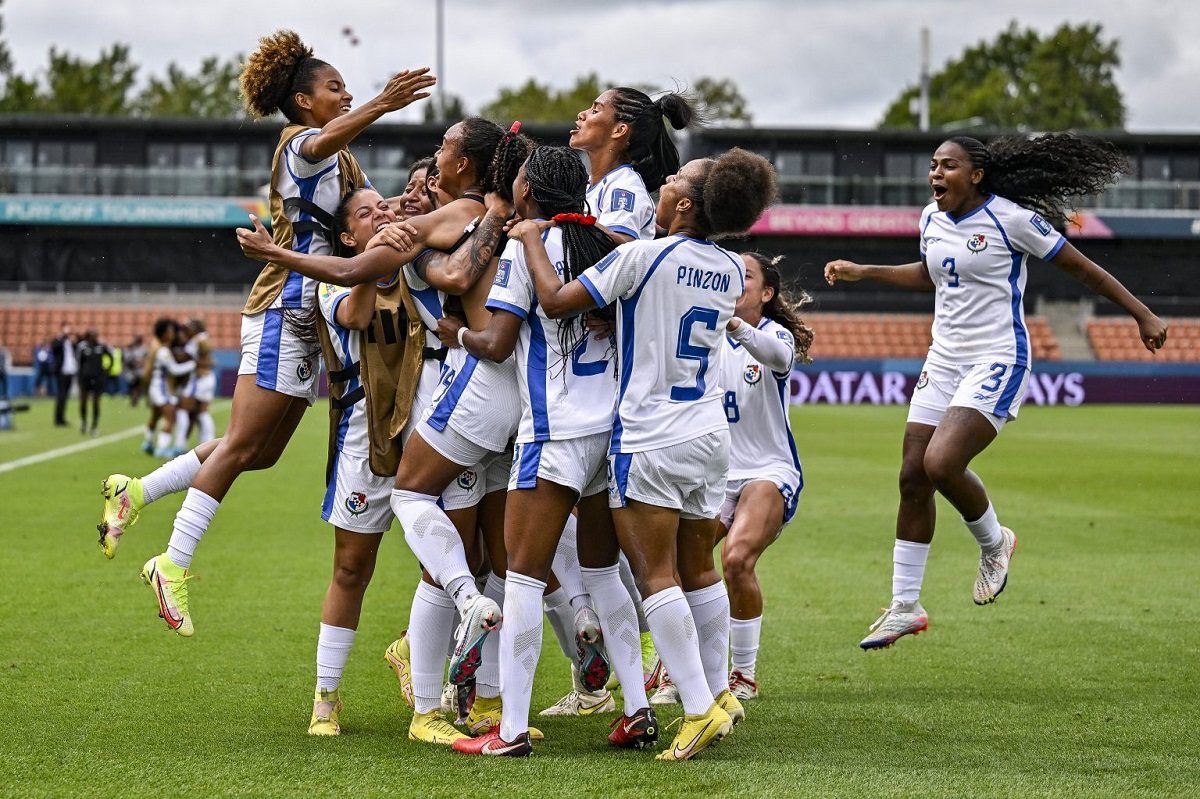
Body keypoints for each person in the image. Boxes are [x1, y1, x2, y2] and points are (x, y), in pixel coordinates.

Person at [100, 30, 434, 636]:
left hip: (313, 310)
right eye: (335, 87)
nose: (347, 94)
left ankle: (137, 491)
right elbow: (328, 146)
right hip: (286, 305)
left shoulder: (341, 156)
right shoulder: (298, 142)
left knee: (263, 450)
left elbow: (360, 205)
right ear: (305, 101)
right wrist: (384, 102)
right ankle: (171, 563)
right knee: (242, 442)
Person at [823, 133, 1169, 651]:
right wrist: (864, 271)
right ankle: (904, 606)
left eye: (949, 166)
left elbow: (1084, 270)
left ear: (976, 175)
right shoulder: (930, 219)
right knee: (912, 477)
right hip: (943, 359)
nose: (936, 174)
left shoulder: (1011, 220)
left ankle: (995, 541)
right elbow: (932, 275)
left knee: (941, 464)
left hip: (998, 357)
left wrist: (1142, 313)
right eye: (934, 166)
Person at [511, 147, 779, 761]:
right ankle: (721, 692)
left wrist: (529, 237)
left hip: (650, 433)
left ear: (684, 204)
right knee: (699, 568)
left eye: (674, 182)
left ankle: (695, 708)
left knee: (655, 575)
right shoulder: (735, 270)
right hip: (710, 436)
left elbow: (555, 301)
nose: (663, 184)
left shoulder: (641, 255)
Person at [440, 146, 659, 757]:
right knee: (602, 575)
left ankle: (509, 732)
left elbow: (499, 342)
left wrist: (453, 331)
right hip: (609, 432)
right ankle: (637, 709)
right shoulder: (607, 246)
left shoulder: (525, 246)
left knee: (524, 581)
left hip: (553, 433)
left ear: (529, 192)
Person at [714, 252, 812, 701]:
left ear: (766, 293)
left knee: (735, 560)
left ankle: (744, 676)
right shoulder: (703, 337)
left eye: (745, 277)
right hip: (715, 474)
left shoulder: (774, 335)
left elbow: (775, 354)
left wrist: (733, 325)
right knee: (677, 566)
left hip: (768, 472)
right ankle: (681, 671)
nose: (734, 282)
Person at [76, 330, 112, 436]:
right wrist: (80, 377)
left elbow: (111, 357)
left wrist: (107, 369)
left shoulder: (101, 347)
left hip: (97, 378)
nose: (94, 337)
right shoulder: (83, 348)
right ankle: (84, 423)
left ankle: (94, 425)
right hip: (85, 379)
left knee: (96, 402)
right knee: (83, 401)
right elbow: (80, 364)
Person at [51, 323, 76, 426]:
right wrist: (63, 336)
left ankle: (62, 418)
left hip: (70, 371)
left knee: (65, 395)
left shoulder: (69, 342)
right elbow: (55, 347)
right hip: (62, 371)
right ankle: (58, 419)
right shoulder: (58, 340)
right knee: (61, 395)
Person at [123, 336, 147, 407]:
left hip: (140, 371)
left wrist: (142, 362)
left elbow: (148, 359)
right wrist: (133, 361)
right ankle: (133, 400)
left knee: (139, 387)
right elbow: (126, 359)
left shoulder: (144, 349)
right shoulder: (131, 349)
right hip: (132, 372)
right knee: (132, 387)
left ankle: (138, 400)